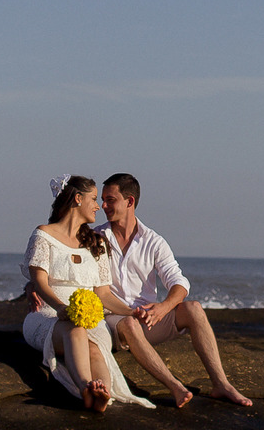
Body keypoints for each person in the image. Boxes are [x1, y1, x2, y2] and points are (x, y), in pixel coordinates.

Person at [100, 173, 252, 408]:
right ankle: (175, 387)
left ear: (129, 202)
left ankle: (221, 384)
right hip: (112, 322)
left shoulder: (153, 241)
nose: (103, 206)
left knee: (193, 309)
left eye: (110, 200)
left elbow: (180, 284)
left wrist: (162, 308)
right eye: (103, 200)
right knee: (129, 323)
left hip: (147, 321)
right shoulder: (95, 237)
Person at [22, 175, 154, 410]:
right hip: (48, 314)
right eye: (94, 199)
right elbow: (39, 282)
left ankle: (101, 392)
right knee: (75, 330)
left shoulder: (97, 242)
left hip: (90, 319)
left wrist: (132, 312)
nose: (98, 206)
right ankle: (86, 387)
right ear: (77, 198)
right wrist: (61, 308)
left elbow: (103, 294)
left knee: (93, 346)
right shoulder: (43, 235)